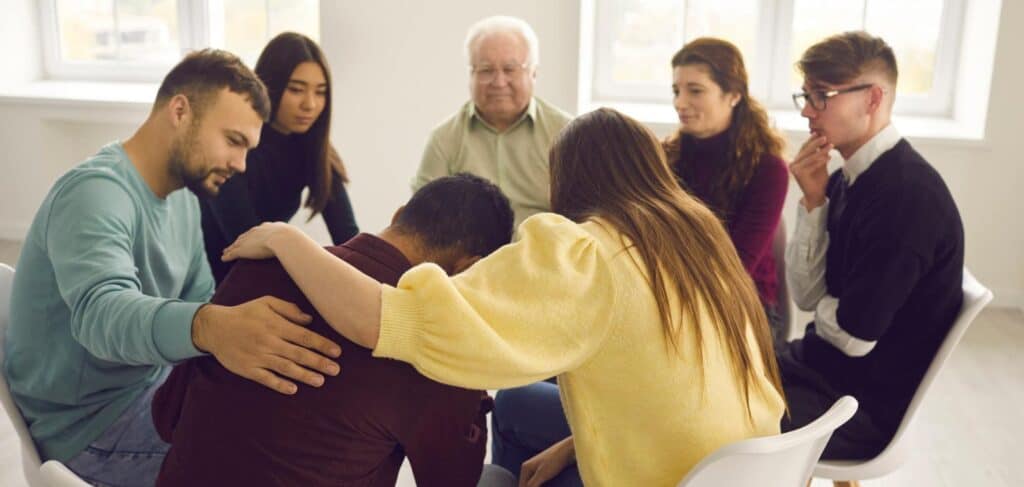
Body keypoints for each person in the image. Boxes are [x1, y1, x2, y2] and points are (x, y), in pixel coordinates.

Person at [224, 108, 786, 486]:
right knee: (519, 405)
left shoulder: (583, 252)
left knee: (507, 425)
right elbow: (674, 375)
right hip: (740, 467)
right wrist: (577, 442)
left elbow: (387, 321)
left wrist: (286, 237)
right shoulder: (696, 232)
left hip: (663, 475)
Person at [4, 49, 342, 485]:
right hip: (86, 430)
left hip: (152, 389)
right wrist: (213, 328)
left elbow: (200, 295)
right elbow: (102, 314)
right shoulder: (94, 194)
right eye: (234, 141)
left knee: (297, 419)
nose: (241, 165)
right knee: (270, 461)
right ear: (180, 110)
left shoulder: (184, 197)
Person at [153, 174, 513, 487]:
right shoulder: (436, 344)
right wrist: (472, 377)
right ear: (471, 268)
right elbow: (451, 481)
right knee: (497, 479)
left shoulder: (259, 264)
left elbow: (166, 417)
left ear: (399, 214)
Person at [783, 31, 964, 459]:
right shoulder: (846, 179)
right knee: (711, 373)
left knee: (707, 412)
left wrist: (828, 310)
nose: (808, 111)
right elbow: (806, 296)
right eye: (805, 96)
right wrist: (813, 202)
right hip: (821, 369)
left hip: (856, 408)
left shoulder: (907, 196)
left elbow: (854, 336)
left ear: (873, 99)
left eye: (822, 96)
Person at [201, 32, 358, 284]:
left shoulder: (314, 147)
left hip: (267, 274)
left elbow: (348, 237)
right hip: (218, 281)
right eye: (296, 90)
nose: (310, 104)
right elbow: (245, 241)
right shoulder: (234, 147)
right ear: (269, 85)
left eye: (320, 92)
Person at [662, 37, 788, 333]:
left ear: (733, 94)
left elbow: (736, 268)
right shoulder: (665, 157)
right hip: (675, 299)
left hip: (745, 308)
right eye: (676, 91)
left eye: (695, 91)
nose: (680, 103)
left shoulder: (767, 169)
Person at [412, 15, 572, 229]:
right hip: (469, 261)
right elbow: (422, 223)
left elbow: (586, 219)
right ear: (471, 74)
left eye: (509, 69)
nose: (499, 82)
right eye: (486, 70)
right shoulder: (444, 139)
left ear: (533, 73)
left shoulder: (566, 135)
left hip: (545, 258)